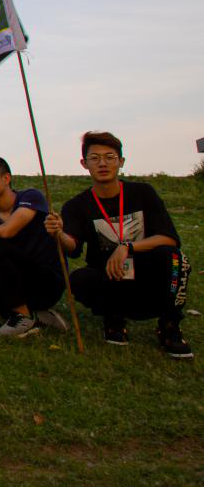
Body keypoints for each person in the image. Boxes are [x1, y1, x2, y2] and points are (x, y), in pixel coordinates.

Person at [49, 132, 192, 357]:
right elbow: (73, 248)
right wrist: (58, 233)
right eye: (94, 158)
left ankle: (169, 325)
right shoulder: (76, 205)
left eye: (110, 157)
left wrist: (127, 247)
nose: (102, 163)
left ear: (121, 161)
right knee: (79, 279)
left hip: (147, 270)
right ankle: (113, 318)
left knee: (176, 258)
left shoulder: (143, 193)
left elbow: (169, 238)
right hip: (109, 274)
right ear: (84, 164)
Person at [0, 156, 68, 338]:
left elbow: (8, 230)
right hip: (12, 283)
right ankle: (39, 315)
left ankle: (22, 315)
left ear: (6, 178)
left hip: (46, 282)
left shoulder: (30, 197)